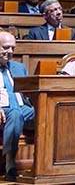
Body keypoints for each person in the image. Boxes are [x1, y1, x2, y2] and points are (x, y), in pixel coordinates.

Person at [0, 31, 34, 179]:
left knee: (48, 111)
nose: (10, 52)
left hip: (23, 109)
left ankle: (47, 162)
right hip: (4, 109)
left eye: (13, 48)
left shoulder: (19, 67)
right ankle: (10, 163)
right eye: (6, 48)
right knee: (14, 113)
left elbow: (28, 93)